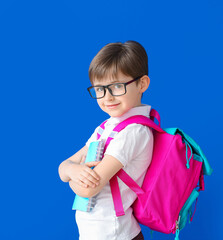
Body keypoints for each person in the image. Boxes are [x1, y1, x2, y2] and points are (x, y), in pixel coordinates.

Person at [58, 40, 153, 240]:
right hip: (97, 232)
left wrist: (72, 174)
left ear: (142, 84)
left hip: (115, 234)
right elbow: (63, 167)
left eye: (117, 86)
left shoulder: (134, 132)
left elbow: (88, 188)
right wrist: (72, 170)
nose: (107, 97)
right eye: (99, 89)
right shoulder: (107, 127)